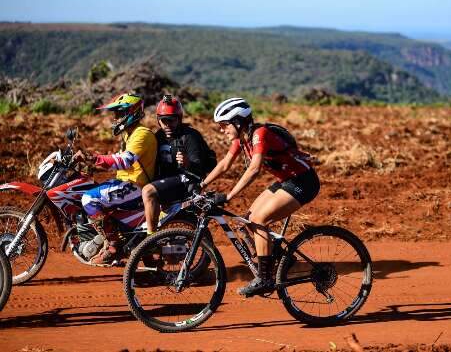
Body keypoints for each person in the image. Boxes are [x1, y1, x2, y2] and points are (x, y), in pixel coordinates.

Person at [201, 97, 320, 297]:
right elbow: (225, 163)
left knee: (259, 220)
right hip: (286, 181)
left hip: (303, 182)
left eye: (224, 125)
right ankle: (284, 260)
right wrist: (202, 184)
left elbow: (254, 169)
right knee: (245, 221)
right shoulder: (242, 138)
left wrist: (229, 195)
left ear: (238, 122)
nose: (222, 130)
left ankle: (264, 279)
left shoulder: (259, 134)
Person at [77, 93, 157, 266]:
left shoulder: (141, 134)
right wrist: (90, 165)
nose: (115, 118)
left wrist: (94, 158)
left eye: (119, 113)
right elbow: (117, 158)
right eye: (115, 114)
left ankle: (113, 245)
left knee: (89, 198)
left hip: (136, 186)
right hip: (125, 182)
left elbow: (124, 160)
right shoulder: (128, 134)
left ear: (132, 112)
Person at [141, 95, 215, 234]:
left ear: (179, 118)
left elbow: (200, 168)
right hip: (167, 181)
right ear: (158, 120)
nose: (167, 124)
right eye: (163, 120)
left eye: (172, 120)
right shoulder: (159, 137)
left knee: (148, 192)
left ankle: (151, 239)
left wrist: (188, 163)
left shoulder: (190, 136)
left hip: (186, 181)